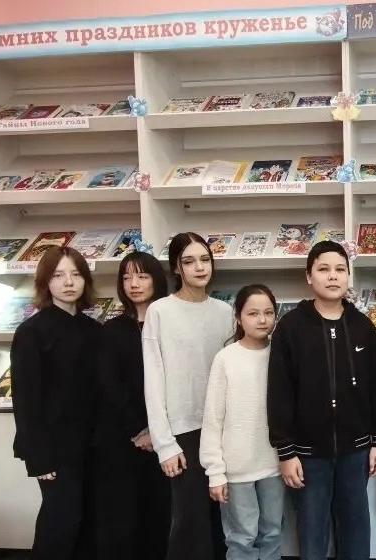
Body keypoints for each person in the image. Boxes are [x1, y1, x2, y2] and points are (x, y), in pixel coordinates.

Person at [268, 240, 376, 560]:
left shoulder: (362, 327)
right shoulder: (291, 328)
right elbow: (279, 393)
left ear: (348, 276)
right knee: (312, 530)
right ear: (309, 276)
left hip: (356, 451)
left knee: (355, 527)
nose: (332, 276)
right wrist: (286, 450)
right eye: (323, 269)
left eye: (340, 269)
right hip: (308, 455)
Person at [143, 231, 233, 560]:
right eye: (189, 261)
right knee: (189, 521)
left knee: (224, 520)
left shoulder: (225, 312)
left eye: (205, 259)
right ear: (176, 267)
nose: (199, 267)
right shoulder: (160, 311)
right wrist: (165, 444)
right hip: (183, 432)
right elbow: (153, 380)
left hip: (222, 429)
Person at [10, 246, 102, 560]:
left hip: (93, 445)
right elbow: (26, 400)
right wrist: (39, 458)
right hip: (54, 450)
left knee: (89, 523)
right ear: (45, 282)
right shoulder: (31, 332)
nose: (68, 282)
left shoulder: (94, 330)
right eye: (58, 275)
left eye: (76, 274)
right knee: (61, 522)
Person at [93, 250, 171, 559]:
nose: (134, 284)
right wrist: (139, 429)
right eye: (126, 278)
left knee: (162, 515)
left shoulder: (170, 323)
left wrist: (157, 430)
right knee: (124, 519)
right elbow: (110, 385)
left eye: (142, 276)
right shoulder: (112, 330)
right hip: (124, 439)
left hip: (168, 436)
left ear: (157, 280)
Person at [200, 284, 284, 560]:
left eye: (268, 313)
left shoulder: (281, 355)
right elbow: (213, 418)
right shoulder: (226, 359)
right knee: (242, 537)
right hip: (236, 469)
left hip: (274, 464)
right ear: (238, 317)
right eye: (253, 313)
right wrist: (215, 471)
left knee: (272, 532)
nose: (262, 320)